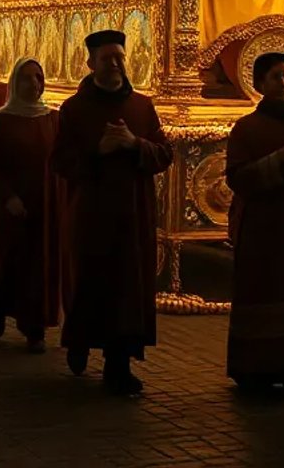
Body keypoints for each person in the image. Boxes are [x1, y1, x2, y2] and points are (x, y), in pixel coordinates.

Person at [52, 29, 174, 395]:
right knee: (90, 283)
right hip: (91, 215)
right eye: (107, 58)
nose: (116, 63)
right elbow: (60, 161)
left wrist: (135, 144)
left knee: (126, 289)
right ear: (91, 64)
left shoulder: (142, 106)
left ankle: (118, 366)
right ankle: (80, 342)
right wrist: (98, 152)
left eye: (120, 56)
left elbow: (164, 153)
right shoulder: (74, 110)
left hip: (132, 216)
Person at [224, 51, 284, 391]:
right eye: (277, 77)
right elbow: (238, 177)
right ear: (260, 83)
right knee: (262, 290)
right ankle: (255, 367)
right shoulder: (246, 128)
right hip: (263, 226)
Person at [0, 58, 65, 353]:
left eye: (39, 78)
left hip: (45, 204)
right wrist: (8, 197)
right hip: (14, 208)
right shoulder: (3, 120)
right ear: (16, 83)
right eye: (28, 78)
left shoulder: (52, 118)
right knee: (10, 262)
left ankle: (36, 326)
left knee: (41, 265)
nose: (34, 85)